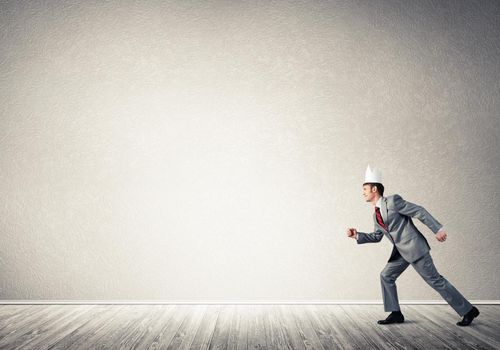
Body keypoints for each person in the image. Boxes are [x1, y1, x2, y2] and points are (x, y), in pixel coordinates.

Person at [347, 165, 479, 326]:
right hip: (401, 252)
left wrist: (437, 229)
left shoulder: (393, 201)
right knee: (386, 276)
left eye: (365, 189)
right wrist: (357, 236)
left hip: (415, 249)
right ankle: (396, 313)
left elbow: (419, 211)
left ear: (374, 189)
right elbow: (377, 236)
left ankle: (468, 310)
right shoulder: (376, 216)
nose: (363, 192)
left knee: (435, 280)